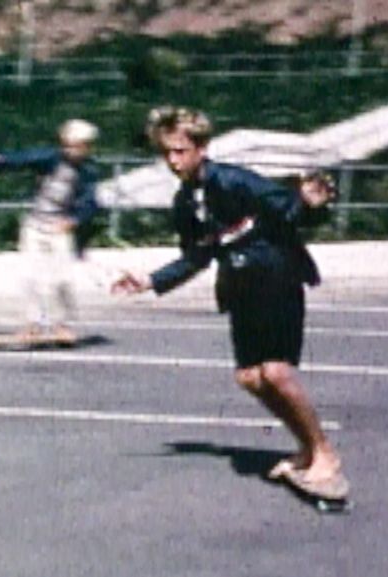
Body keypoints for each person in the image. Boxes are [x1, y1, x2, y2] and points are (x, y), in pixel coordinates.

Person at [111, 106, 345, 491]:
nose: (172, 160)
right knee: (250, 378)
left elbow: (289, 208)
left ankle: (324, 452)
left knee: (276, 372)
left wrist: (308, 201)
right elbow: (196, 256)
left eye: (180, 151)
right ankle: (304, 448)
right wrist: (149, 280)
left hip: (277, 277)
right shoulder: (184, 203)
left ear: (201, 148)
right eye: (166, 152)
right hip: (240, 289)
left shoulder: (235, 180)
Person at [0, 119, 101, 346]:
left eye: (77, 146)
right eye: (67, 145)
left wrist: (73, 220)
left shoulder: (89, 171)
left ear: (88, 147)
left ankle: (62, 325)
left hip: (60, 228)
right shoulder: (52, 158)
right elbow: (24, 159)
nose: (70, 150)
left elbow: (92, 202)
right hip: (36, 224)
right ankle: (33, 325)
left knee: (61, 279)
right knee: (31, 276)